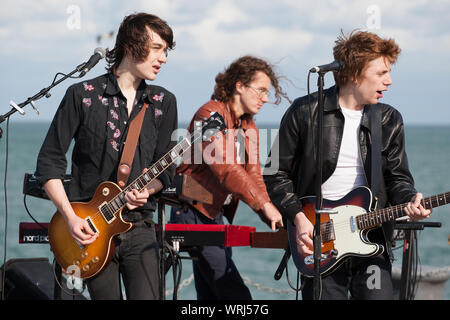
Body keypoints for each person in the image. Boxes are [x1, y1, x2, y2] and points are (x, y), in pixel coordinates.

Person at [263, 30, 431, 300]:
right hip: (319, 239)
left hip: (373, 238)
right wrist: (298, 218)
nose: (388, 82)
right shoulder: (305, 111)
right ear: (354, 73)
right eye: (381, 73)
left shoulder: (388, 119)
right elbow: (275, 173)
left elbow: (397, 178)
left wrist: (411, 200)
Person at [35, 12, 177, 300]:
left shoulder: (163, 102)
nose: (163, 58)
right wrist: (71, 218)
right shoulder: (82, 95)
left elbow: (166, 171)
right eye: (157, 49)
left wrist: (147, 190)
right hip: (87, 231)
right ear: (131, 46)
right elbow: (49, 162)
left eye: (166, 51)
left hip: (139, 226)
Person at [170, 55, 286, 300]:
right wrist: (264, 205)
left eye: (268, 92)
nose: (266, 98)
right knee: (235, 295)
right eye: (261, 90)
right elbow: (226, 169)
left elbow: (253, 175)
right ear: (239, 86)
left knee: (211, 295)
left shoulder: (249, 126)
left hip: (216, 216)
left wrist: (274, 217)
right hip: (191, 210)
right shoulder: (208, 114)